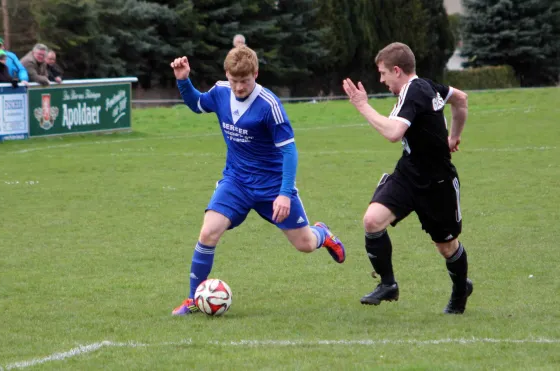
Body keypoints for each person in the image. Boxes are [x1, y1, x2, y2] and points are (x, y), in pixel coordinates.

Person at [170, 46, 346, 316]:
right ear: (226, 74)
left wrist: (285, 194)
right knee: (208, 233)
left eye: (245, 81)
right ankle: (194, 299)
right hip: (236, 182)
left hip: (272, 188)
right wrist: (184, 80)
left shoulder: (269, 105)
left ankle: (323, 233)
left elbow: (289, 151)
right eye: (234, 80)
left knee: (305, 245)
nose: (239, 87)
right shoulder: (219, 92)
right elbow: (197, 104)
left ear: (256, 74)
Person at [342, 42, 471, 314]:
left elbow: (393, 133)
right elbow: (460, 99)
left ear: (397, 70)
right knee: (372, 221)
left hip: (437, 183)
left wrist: (362, 105)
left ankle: (461, 289)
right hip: (409, 174)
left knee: (446, 247)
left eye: (383, 73)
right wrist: (454, 135)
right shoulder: (428, 86)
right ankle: (388, 284)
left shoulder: (413, 91)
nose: (381, 79)